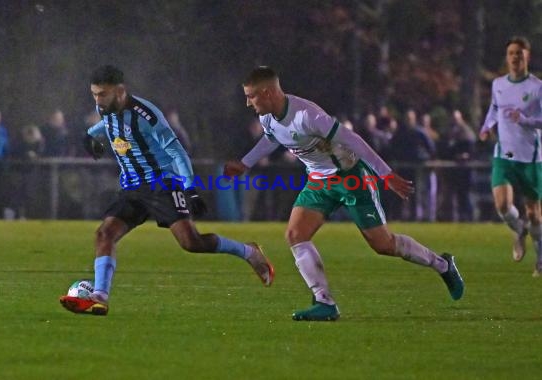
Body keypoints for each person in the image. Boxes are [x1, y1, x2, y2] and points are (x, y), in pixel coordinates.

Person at [224, 67, 464, 321]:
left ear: (268, 92)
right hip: (318, 181)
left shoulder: (308, 115)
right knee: (296, 234)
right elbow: (272, 138)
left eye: (251, 96)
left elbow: (353, 140)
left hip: (351, 178)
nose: (248, 103)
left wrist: (386, 174)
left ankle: (442, 265)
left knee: (382, 244)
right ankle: (324, 302)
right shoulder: (268, 117)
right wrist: (245, 163)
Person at [59, 65, 274, 316]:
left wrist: (190, 189)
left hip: (162, 183)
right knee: (104, 234)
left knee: (191, 242)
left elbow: (177, 151)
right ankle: (100, 297)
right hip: (132, 186)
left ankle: (248, 251)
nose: (98, 100)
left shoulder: (148, 116)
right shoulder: (104, 108)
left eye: (102, 94)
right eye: (94, 94)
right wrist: (89, 135)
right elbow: (106, 124)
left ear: (120, 91)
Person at [479, 36, 542, 276]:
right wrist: (486, 127)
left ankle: (540, 256)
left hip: (531, 157)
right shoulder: (498, 84)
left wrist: (525, 120)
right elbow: (494, 109)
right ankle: (518, 230)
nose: (515, 57)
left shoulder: (537, 87)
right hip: (503, 154)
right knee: (503, 205)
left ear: (528, 56)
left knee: (535, 214)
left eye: (519, 53)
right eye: (511, 53)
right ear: (507, 58)